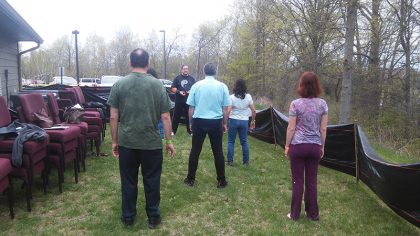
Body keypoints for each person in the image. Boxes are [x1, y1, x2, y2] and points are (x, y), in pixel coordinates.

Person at [108, 48, 176, 229]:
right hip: (151, 144)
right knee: (152, 181)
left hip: (127, 142)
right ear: (148, 63)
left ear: (130, 62)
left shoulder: (119, 85)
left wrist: (115, 141)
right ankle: (153, 217)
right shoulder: (157, 85)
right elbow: (166, 117)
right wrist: (169, 141)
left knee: (128, 181)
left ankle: (128, 217)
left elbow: (113, 116)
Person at [284, 71, 328, 221]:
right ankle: (313, 214)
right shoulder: (323, 104)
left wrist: (287, 145)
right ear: (317, 85)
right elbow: (323, 129)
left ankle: (295, 214)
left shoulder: (295, 104)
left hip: (298, 146)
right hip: (314, 146)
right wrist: (321, 146)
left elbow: (291, 128)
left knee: (297, 181)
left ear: (301, 85)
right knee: (311, 182)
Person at [184, 62, 231, 188]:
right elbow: (226, 109)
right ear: (215, 72)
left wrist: (190, 123)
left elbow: (191, 108)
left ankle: (190, 179)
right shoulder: (222, 86)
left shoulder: (196, 85)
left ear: (204, 71)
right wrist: (225, 123)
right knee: (218, 152)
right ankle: (221, 181)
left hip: (199, 121)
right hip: (215, 122)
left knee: (195, 150)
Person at [226, 79, 256, 166]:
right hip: (244, 121)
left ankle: (230, 161)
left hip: (233, 121)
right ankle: (246, 162)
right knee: (244, 142)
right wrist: (253, 121)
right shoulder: (248, 97)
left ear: (235, 86)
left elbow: (228, 111)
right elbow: (254, 111)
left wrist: (225, 122)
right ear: (244, 87)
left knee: (231, 141)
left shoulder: (231, 97)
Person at [171, 65, 196, 135]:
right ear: (181, 70)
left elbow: (195, 88)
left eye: (187, 69)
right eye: (184, 69)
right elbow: (172, 88)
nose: (186, 70)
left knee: (189, 116)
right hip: (179, 101)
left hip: (189, 101)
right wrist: (179, 92)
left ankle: (190, 131)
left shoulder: (192, 79)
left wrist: (191, 91)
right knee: (176, 116)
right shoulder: (177, 78)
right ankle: (173, 131)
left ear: (188, 70)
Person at [147, 68, 164, 139]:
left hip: (148, 108)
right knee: (159, 121)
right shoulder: (159, 84)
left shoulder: (145, 84)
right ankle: (161, 135)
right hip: (157, 108)